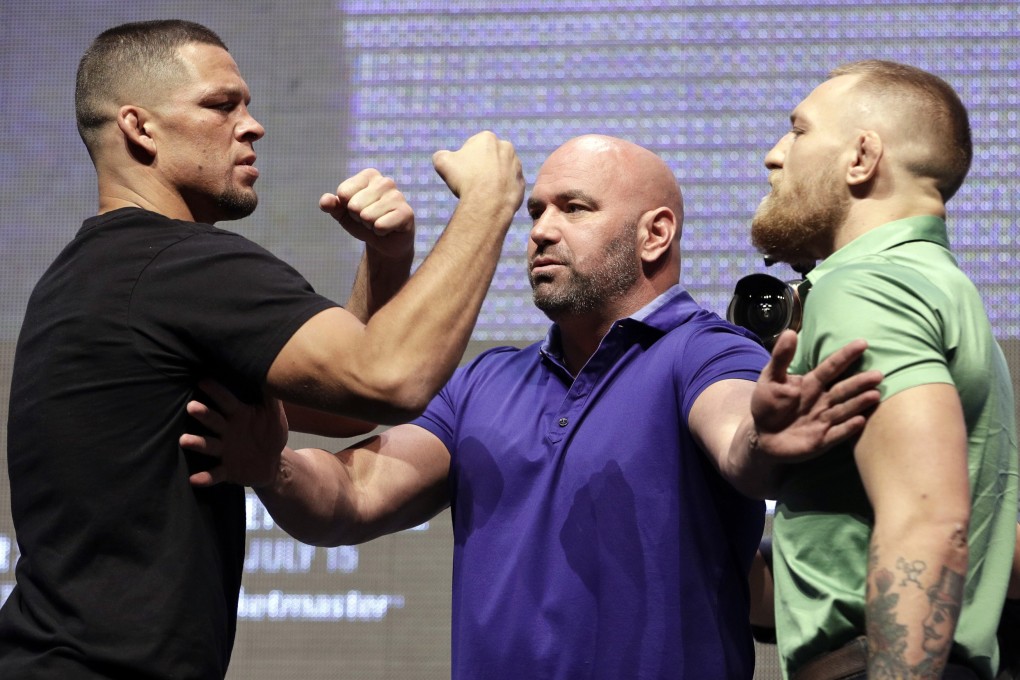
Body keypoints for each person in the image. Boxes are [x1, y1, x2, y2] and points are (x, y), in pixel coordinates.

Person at [184, 134, 882, 679]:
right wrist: (269, 467)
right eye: (536, 211)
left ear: (655, 234)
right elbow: (355, 493)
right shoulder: (486, 381)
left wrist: (766, 439)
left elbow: (738, 438)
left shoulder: (705, 351)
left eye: (574, 209)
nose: (542, 230)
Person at [0, 19, 524, 679]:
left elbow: (343, 411)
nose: (252, 126)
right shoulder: (180, 264)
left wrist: (385, 258)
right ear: (139, 128)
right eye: (221, 106)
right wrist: (487, 203)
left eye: (247, 105)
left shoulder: (95, 273)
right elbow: (391, 379)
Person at [746, 60, 1018, 680]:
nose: (774, 154)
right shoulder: (942, 289)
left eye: (799, 131)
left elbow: (928, 518)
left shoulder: (867, 288)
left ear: (862, 157)